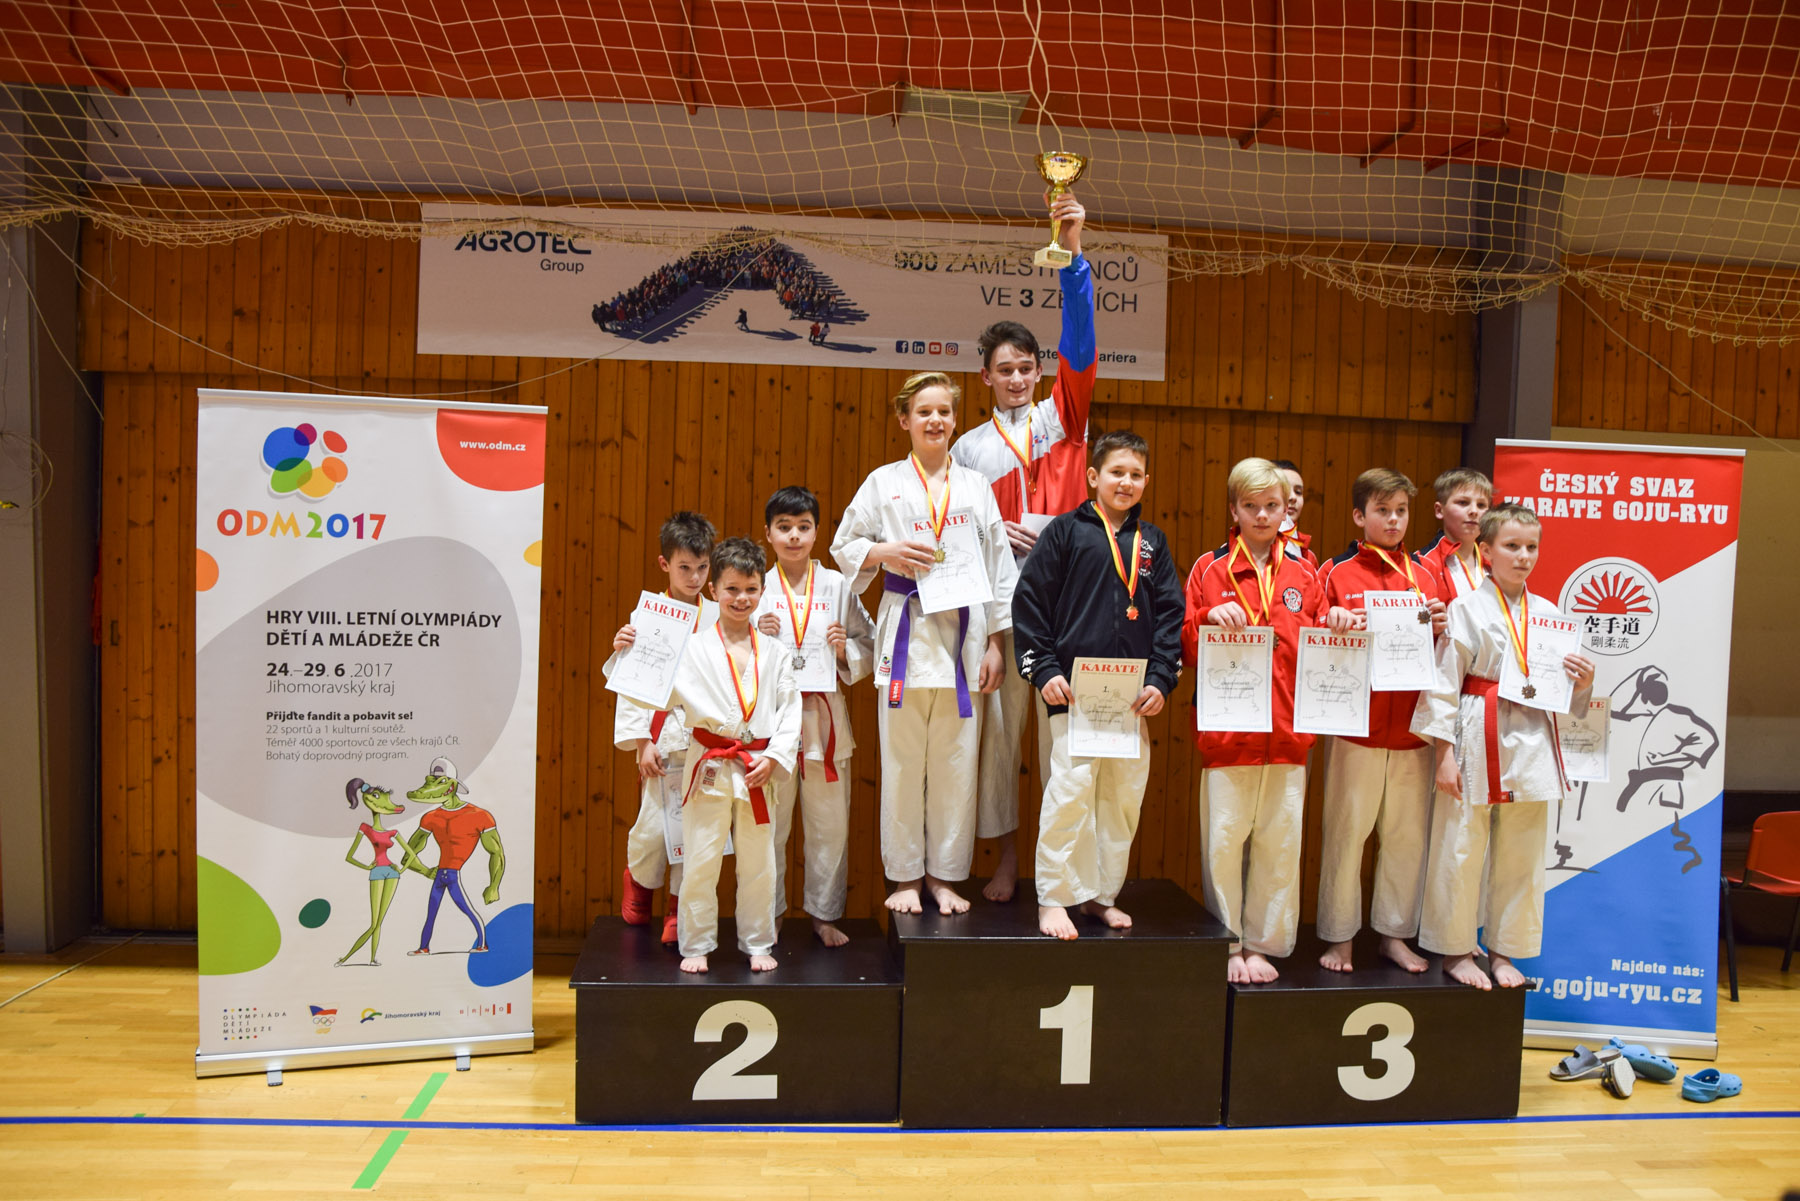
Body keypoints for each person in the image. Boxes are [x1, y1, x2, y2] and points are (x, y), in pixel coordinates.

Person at [951, 188, 1094, 903]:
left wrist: (1073, 257)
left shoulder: (1062, 418)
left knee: (1064, 740)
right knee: (1002, 742)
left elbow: (1082, 343)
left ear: (1041, 371)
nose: (1016, 377)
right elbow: (958, 539)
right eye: (1003, 369)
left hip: (1065, 602)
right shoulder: (967, 450)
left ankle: (1065, 873)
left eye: (1026, 367)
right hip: (1004, 608)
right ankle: (1007, 859)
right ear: (985, 376)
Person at [832, 371, 1017, 916]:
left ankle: (944, 876)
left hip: (965, 637)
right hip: (906, 635)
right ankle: (906, 877)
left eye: (944, 411)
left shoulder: (976, 487)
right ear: (904, 420)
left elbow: (999, 568)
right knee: (902, 763)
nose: (935, 420)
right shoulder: (883, 482)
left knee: (957, 763)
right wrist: (883, 551)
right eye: (924, 412)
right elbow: (845, 546)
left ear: (955, 419)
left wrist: (997, 646)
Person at [1412, 504, 1596, 990]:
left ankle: (1504, 950)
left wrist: (1583, 684)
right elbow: (1443, 685)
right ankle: (1455, 950)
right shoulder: (1465, 608)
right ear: (1487, 551)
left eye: (1531, 547)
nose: (1523, 556)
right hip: (1477, 728)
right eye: (1512, 546)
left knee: (1522, 851)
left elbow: (1566, 700)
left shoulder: (1552, 617)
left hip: (1532, 735)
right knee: (1461, 844)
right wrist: (1443, 754)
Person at [1011, 430, 1183, 939]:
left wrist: (1160, 679)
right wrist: (1044, 669)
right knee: (1070, 792)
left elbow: (1170, 616)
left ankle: (1100, 895)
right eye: (1116, 472)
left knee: (1121, 797)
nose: (1126, 482)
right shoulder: (1065, 533)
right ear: (1093, 476)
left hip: (1131, 697)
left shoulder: (1153, 542)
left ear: (1146, 481)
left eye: (1136, 475)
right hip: (1074, 690)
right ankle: (1054, 897)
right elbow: (1030, 603)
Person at [1182, 457, 1321, 983]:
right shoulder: (1209, 568)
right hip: (1228, 733)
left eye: (1272, 505)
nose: (1262, 515)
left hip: (1288, 733)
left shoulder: (1306, 572)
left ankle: (1263, 945)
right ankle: (1227, 943)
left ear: (1287, 509)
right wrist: (1205, 618)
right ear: (1233, 509)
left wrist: (1339, 622)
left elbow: (1324, 644)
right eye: (1251, 506)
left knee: (1279, 846)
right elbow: (1183, 646)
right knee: (1223, 843)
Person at [1313, 468, 1448, 973]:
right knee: (1346, 836)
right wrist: (1332, 622)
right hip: (1355, 728)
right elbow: (1311, 637)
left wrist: (1442, 625)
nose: (1393, 520)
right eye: (1382, 511)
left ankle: (1394, 934)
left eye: (1401, 511)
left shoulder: (1427, 575)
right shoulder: (1335, 572)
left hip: (1413, 730)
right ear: (1359, 515)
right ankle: (1339, 938)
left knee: (1406, 838)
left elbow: (1447, 650)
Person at [665, 538, 803, 974]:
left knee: (760, 861)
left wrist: (775, 758)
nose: (742, 599)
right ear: (713, 591)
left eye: (751, 589)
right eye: (731, 589)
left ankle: (758, 942)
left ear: (762, 590)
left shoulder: (776, 653)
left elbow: (790, 710)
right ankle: (695, 944)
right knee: (701, 857)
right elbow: (651, 689)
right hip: (709, 760)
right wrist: (626, 651)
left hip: (756, 766)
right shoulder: (691, 648)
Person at [756, 485, 876, 946]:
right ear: (768, 533)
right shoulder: (757, 588)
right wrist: (756, 634)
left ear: (817, 532)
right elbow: (730, 651)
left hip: (824, 720)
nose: (794, 536)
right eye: (784, 527)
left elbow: (871, 643)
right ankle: (769, 915)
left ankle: (824, 915)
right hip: (773, 722)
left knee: (830, 825)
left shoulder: (838, 586)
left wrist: (845, 651)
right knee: (771, 825)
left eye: (803, 527)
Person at [612, 512, 718, 945]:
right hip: (660, 734)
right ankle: (638, 881)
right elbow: (632, 685)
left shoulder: (719, 615)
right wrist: (641, 743)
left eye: (702, 567)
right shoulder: (647, 615)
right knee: (655, 825)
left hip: (704, 737)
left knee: (694, 827)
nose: (694, 578)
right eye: (684, 567)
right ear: (664, 564)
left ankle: (678, 908)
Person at [403, 757, 505, 956]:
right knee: (431, 912)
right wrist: (425, 871)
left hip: (452, 873)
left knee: (466, 909)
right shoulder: (430, 817)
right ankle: (423, 947)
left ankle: (482, 944)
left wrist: (494, 886)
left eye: (440, 781)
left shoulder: (479, 815)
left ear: (451, 786)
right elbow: (408, 854)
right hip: (440, 873)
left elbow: (496, 852)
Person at [336, 777, 421, 967]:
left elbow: (411, 853)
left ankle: (372, 958)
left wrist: (401, 868)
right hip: (376, 872)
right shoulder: (365, 828)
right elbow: (349, 856)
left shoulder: (393, 833)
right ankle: (347, 957)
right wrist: (367, 867)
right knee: (374, 923)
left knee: (379, 921)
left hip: (392, 874)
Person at [1420, 467, 1492, 600]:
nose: (1474, 511)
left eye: (1481, 505)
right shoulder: (1422, 563)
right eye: (1463, 502)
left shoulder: (1495, 562)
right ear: (1439, 510)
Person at [1269, 458, 1318, 567]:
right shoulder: (1241, 548)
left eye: (1298, 492)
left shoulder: (1309, 557)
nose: (1293, 497)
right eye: (1284, 489)